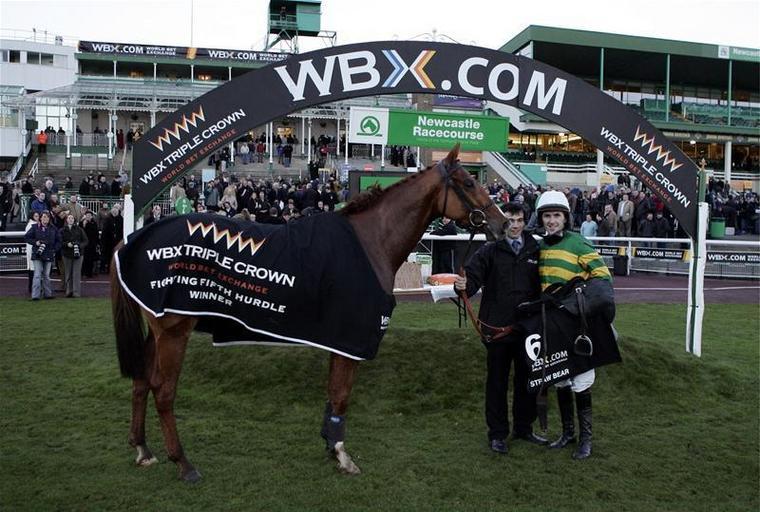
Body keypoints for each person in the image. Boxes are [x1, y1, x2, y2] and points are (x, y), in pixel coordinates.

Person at [454, 203, 547, 455]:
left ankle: (524, 428)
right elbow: (471, 281)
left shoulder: (536, 249)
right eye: (509, 221)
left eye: (519, 220)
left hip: (528, 328)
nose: (514, 225)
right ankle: (497, 434)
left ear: (525, 222)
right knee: (497, 382)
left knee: (527, 379)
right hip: (497, 329)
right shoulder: (490, 250)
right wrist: (462, 285)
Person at [534, 190, 612, 460]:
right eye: (547, 216)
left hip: (578, 323)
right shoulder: (539, 247)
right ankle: (568, 433)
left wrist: (576, 301)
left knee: (581, 379)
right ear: (541, 219)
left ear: (565, 218)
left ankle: (585, 439)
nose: (552, 221)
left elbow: (602, 277)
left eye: (557, 215)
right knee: (561, 378)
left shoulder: (579, 243)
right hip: (553, 323)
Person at [24, 211, 61, 300]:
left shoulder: (53, 228)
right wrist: (35, 242)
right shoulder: (34, 227)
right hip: (38, 254)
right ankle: (35, 296)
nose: (45, 219)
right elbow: (27, 237)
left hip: (48, 253)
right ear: (40, 218)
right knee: (37, 275)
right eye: (44, 217)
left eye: (47, 217)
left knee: (46, 275)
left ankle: (47, 294)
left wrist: (54, 249)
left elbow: (59, 240)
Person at [60, 213, 88, 298]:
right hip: (66, 254)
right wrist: (67, 244)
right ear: (66, 220)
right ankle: (69, 291)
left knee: (76, 273)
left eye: (72, 218)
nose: (70, 219)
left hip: (78, 254)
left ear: (74, 220)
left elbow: (85, 241)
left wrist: (79, 246)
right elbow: (59, 241)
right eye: (69, 218)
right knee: (68, 273)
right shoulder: (62, 230)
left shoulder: (79, 229)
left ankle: (76, 292)